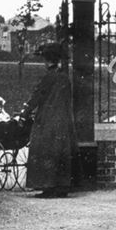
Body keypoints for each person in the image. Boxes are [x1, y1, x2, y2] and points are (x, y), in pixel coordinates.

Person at [18, 42, 76, 198]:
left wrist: (24, 113)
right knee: (61, 151)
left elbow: (37, 97)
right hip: (63, 120)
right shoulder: (64, 77)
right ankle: (61, 186)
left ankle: (48, 187)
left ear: (47, 60)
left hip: (47, 119)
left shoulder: (48, 77)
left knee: (44, 150)